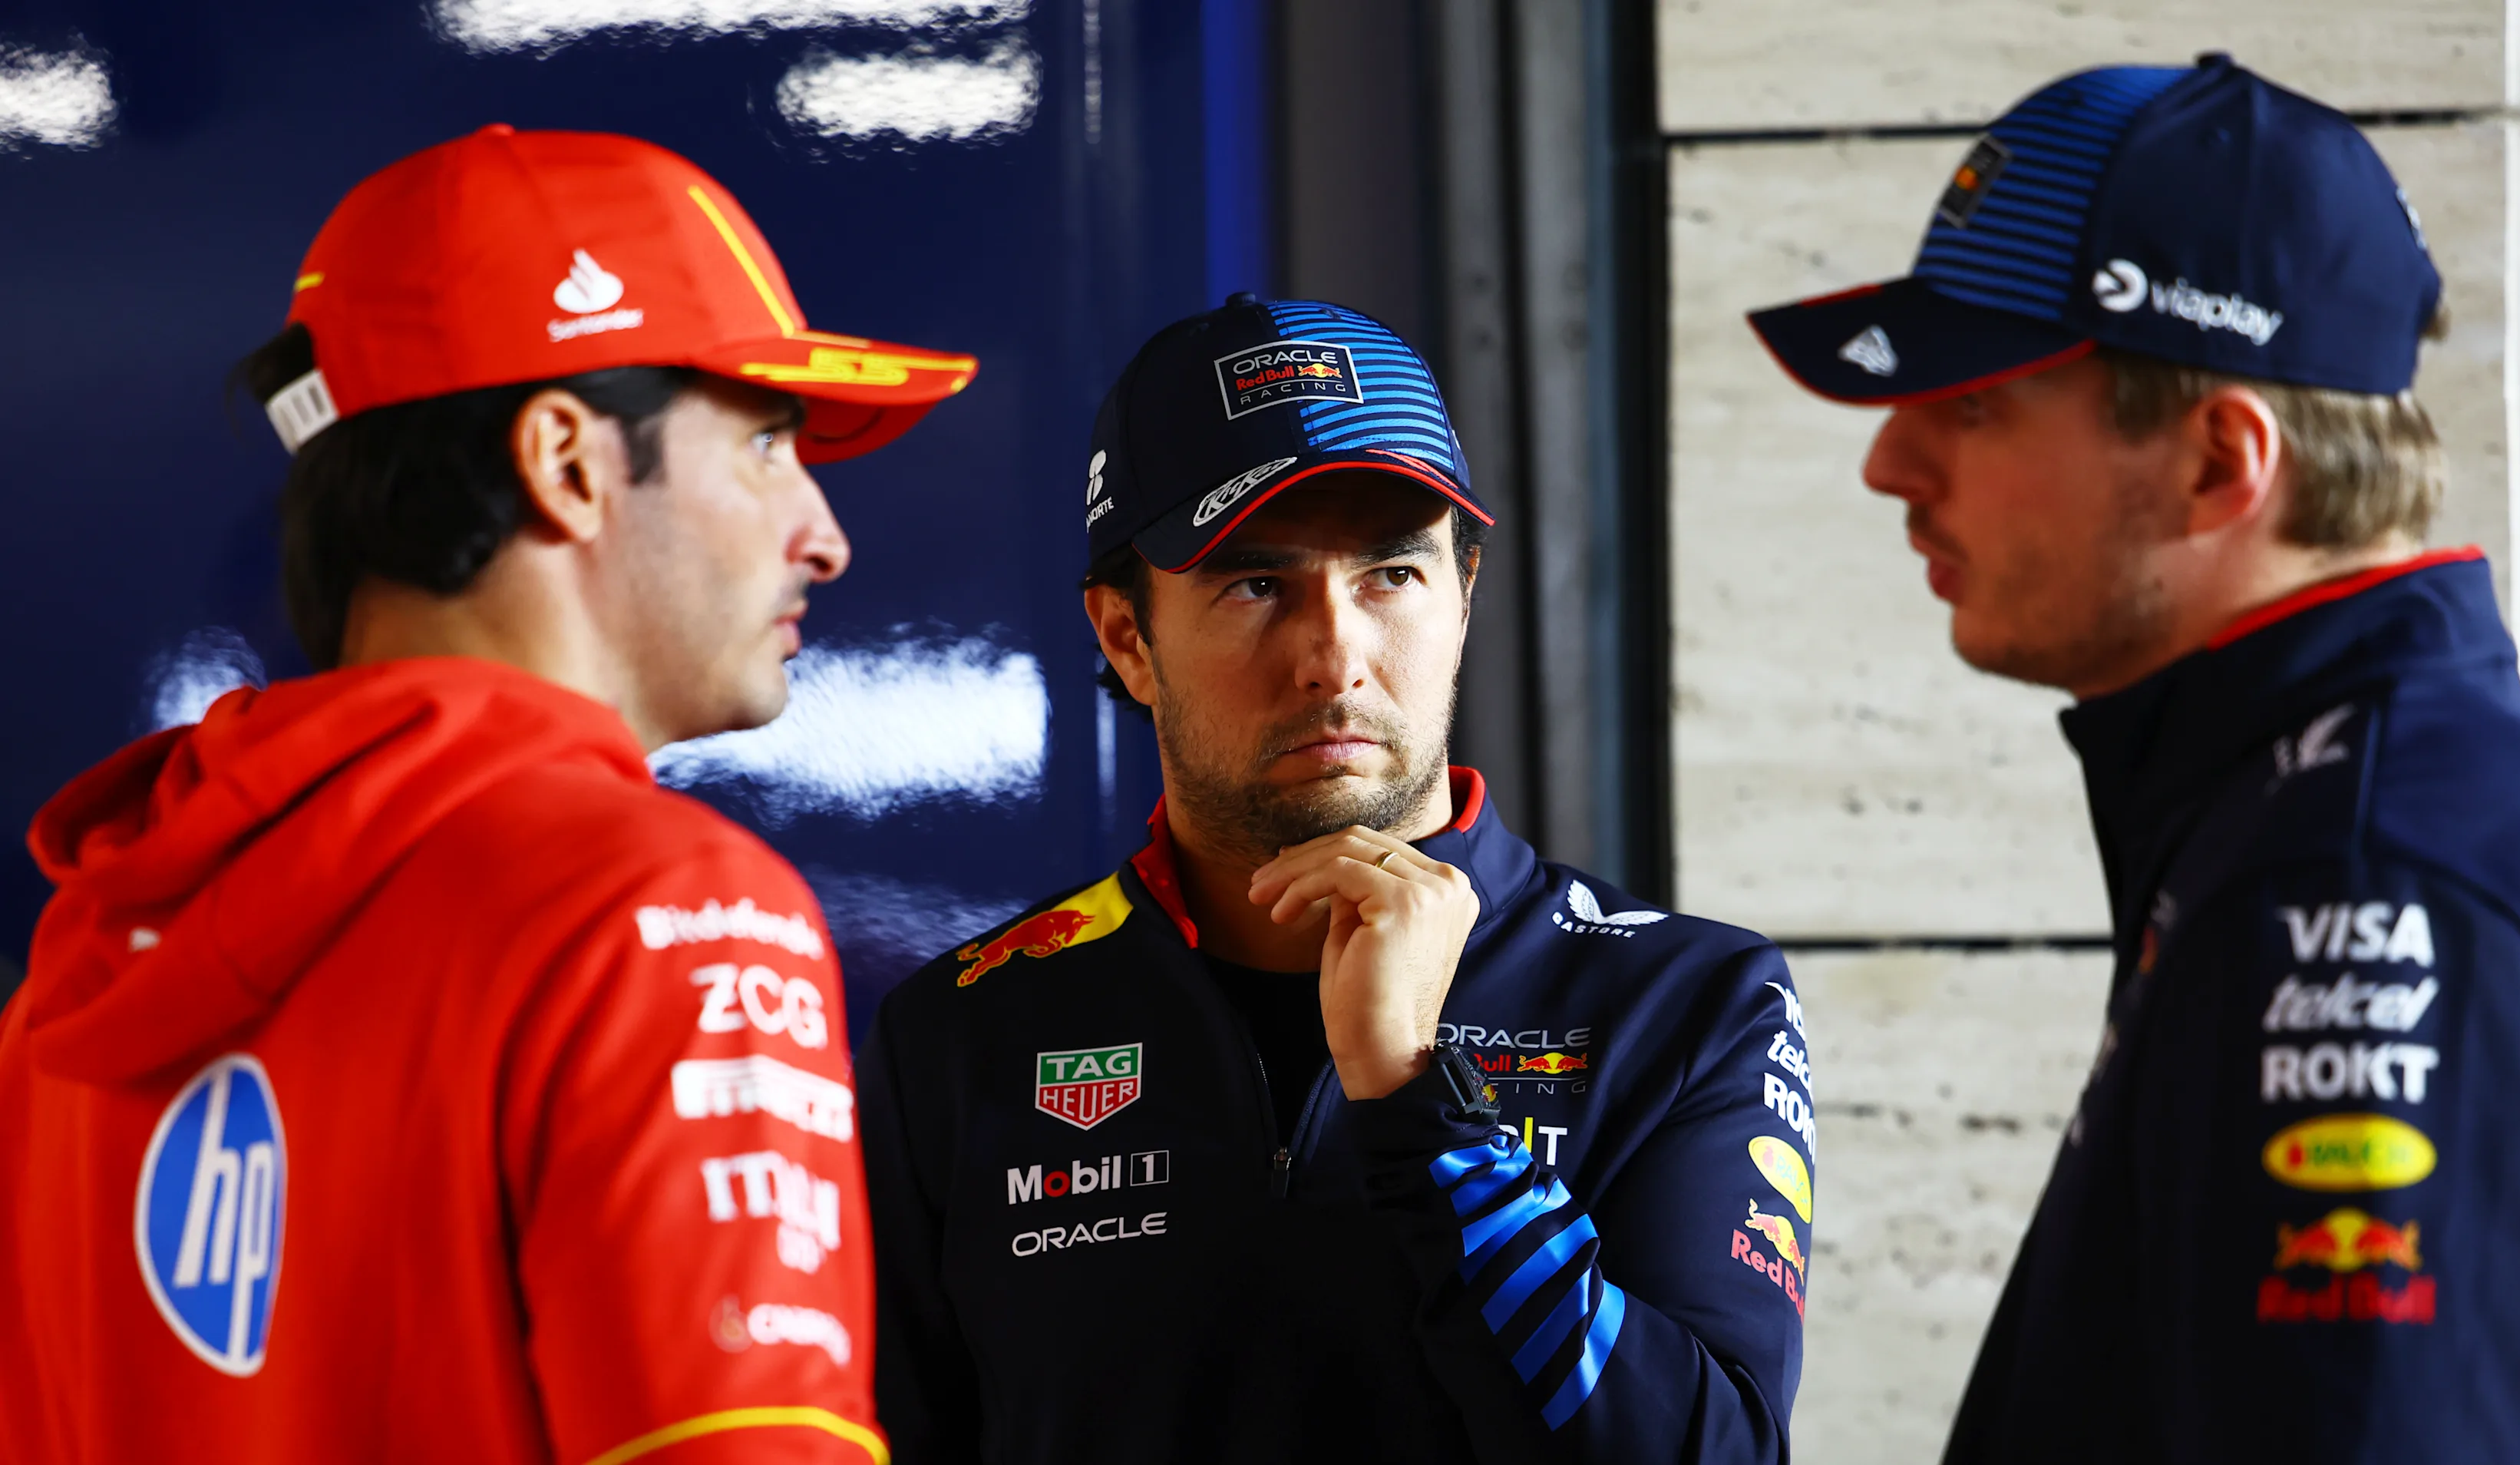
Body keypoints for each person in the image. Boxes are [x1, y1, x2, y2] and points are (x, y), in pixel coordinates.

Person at [0, 124, 977, 1462]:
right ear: (567, 462)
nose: (824, 531)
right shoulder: (670, 913)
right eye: (766, 445)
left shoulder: (81, 964)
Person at [1751, 54, 2520, 1462]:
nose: (1889, 463)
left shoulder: (2361, 864)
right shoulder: (2373, 799)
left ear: (2220, 463)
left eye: (1976, 404)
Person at [862, 293, 1816, 1463]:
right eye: (1255, 584)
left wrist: (1420, 1099)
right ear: (1125, 638)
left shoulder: (1690, 999)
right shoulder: (961, 1037)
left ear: (1465, 593)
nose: (1335, 658)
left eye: (1391, 576)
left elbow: (1711, 1453)